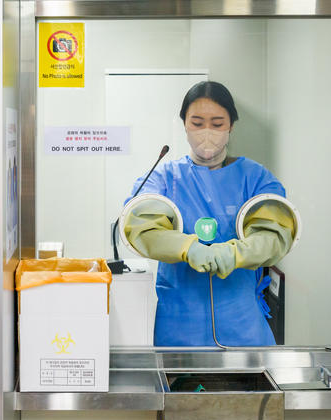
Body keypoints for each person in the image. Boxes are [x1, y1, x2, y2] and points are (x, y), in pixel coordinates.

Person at [124, 81, 295, 346]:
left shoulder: (256, 178)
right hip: (179, 327)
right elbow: (140, 227)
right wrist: (187, 248)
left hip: (242, 325)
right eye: (197, 123)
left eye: (217, 124)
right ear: (184, 125)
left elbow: (275, 236)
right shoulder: (164, 178)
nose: (207, 132)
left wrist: (235, 254)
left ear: (231, 127)